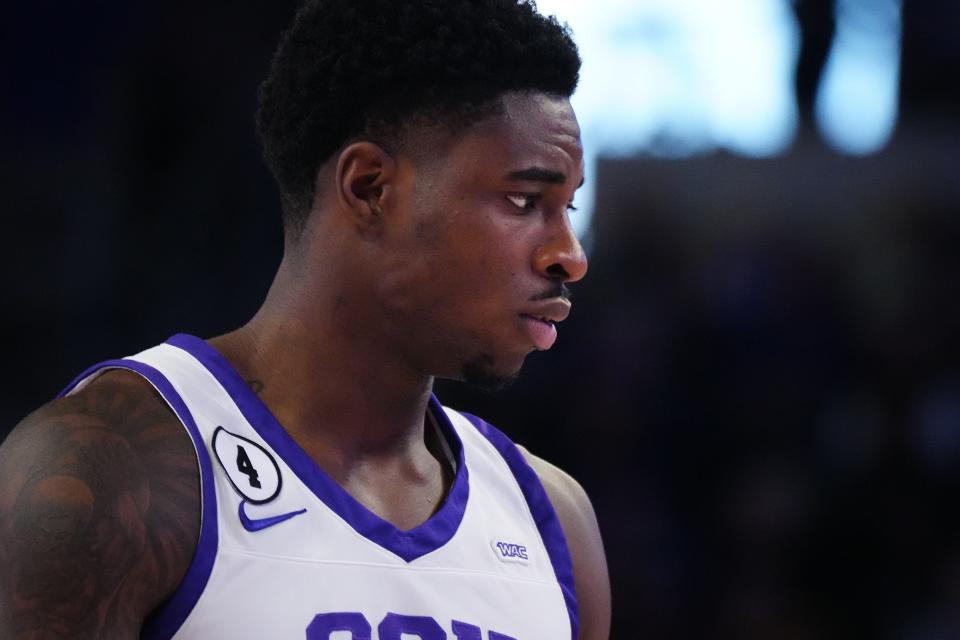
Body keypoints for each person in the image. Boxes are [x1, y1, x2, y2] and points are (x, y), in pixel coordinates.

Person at [0, 0, 611, 637]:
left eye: (568, 206)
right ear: (369, 187)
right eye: (525, 200)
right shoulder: (118, 470)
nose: (568, 255)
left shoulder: (554, 522)